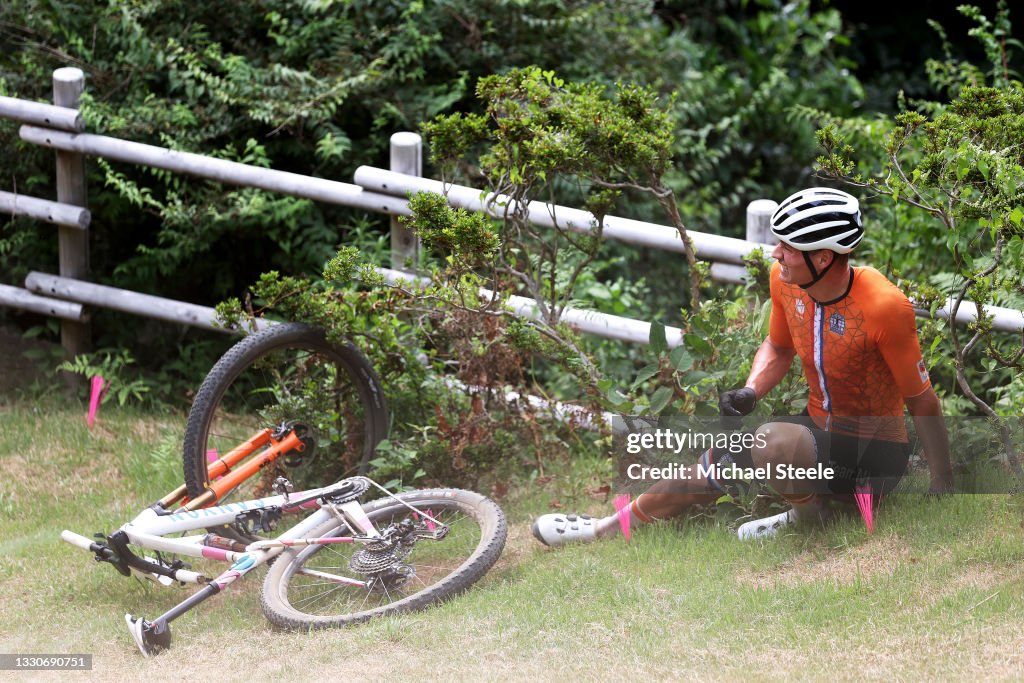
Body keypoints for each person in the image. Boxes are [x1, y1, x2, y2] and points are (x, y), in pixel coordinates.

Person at [532, 187, 954, 545]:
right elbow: (778, 347)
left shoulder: (884, 306)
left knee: (773, 442)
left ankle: (808, 520)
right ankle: (603, 529)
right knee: (706, 468)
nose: (777, 254)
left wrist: (942, 485)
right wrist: (752, 390)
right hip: (815, 431)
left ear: (823, 258)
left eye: (789, 246)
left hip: (874, 457)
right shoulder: (785, 281)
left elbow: (922, 400)